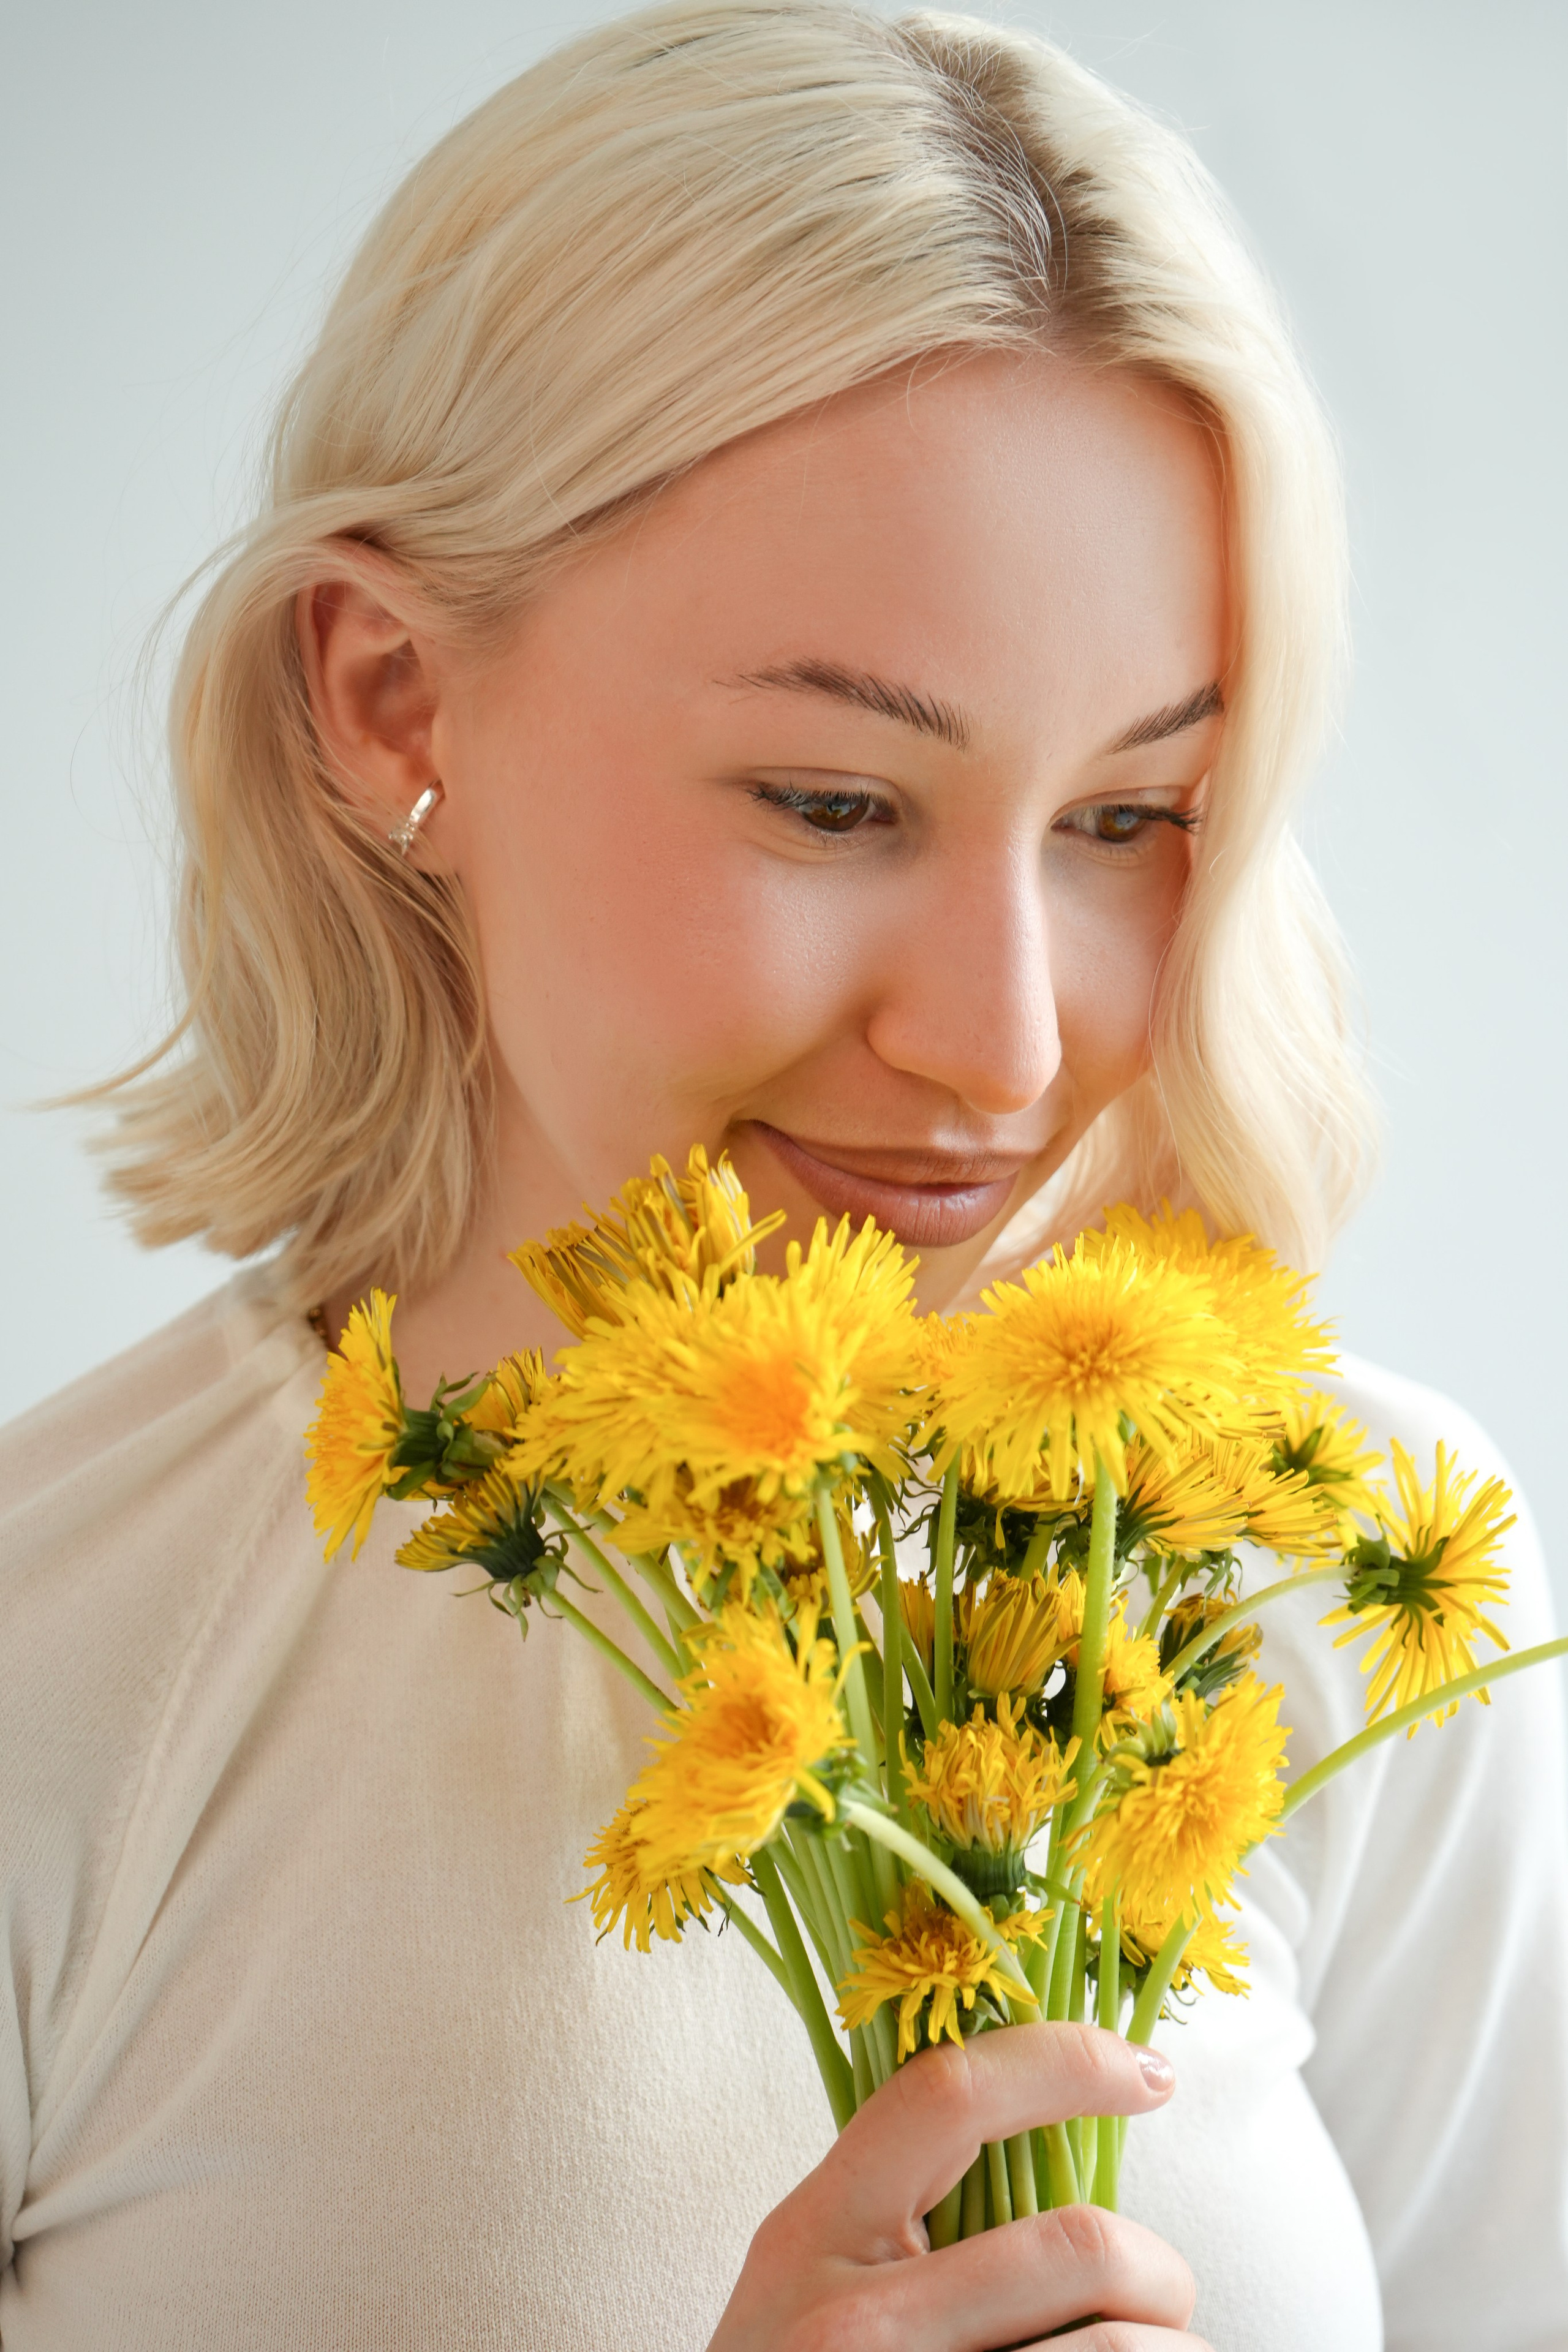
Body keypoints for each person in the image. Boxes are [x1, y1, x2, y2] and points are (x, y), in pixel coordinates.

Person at [2, 4, 1564, 2346]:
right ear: (391, 695)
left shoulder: (1327, 1590)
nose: (1006, 1043)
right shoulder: (64, 1686)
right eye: (835, 804)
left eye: (1131, 818)